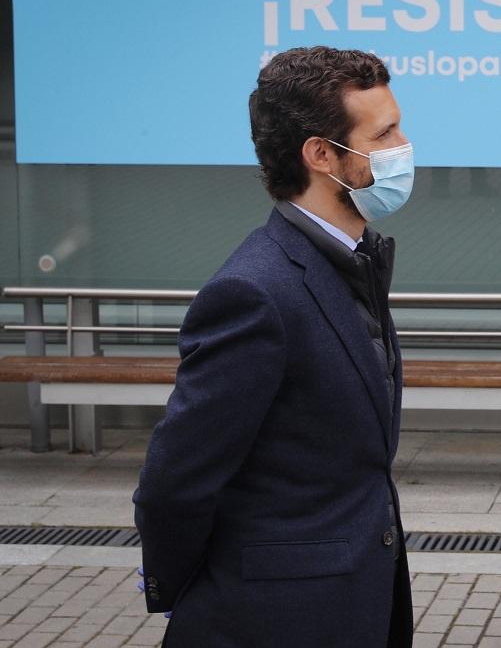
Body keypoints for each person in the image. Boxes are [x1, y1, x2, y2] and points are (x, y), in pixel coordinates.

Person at [132, 46, 415, 647]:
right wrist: (193, 590)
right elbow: (175, 483)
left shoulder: (348, 262)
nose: (403, 146)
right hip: (274, 620)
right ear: (320, 155)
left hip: (353, 605)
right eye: (385, 132)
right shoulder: (254, 291)